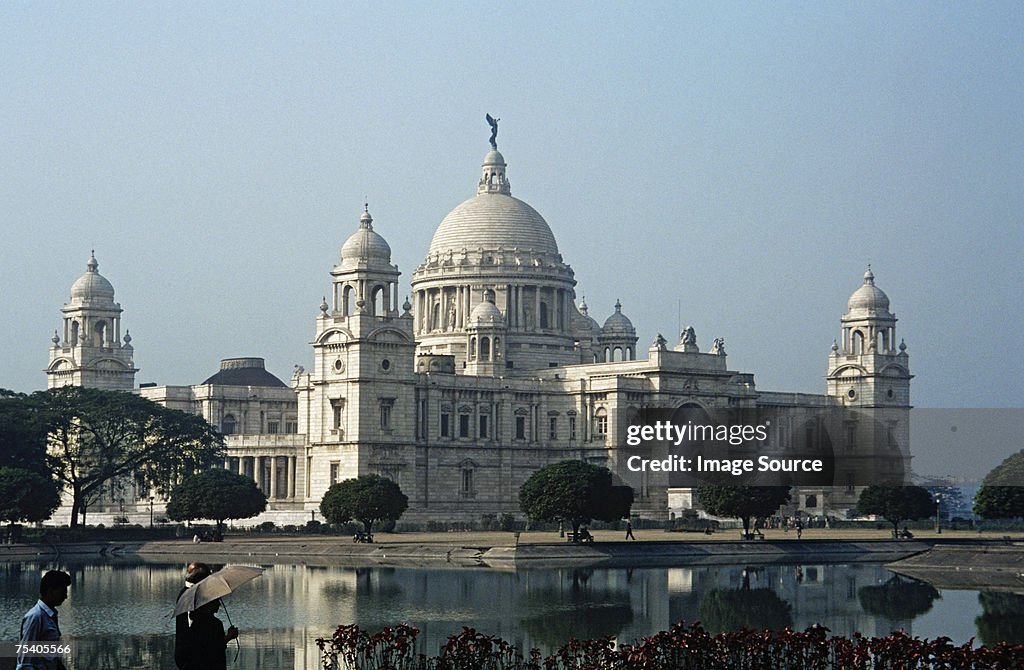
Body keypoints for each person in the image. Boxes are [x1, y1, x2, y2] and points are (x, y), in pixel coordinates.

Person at [17, 570, 71, 670]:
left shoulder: (50, 615)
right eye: (62, 591)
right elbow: (25, 663)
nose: (65, 596)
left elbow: (50, 657)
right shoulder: (35, 617)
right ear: (50, 591)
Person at [180, 599, 238, 670]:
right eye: (216, 601)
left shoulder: (195, 624)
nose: (219, 604)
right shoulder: (215, 624)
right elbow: (214, 648)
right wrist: (229, 637)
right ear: (207, 605)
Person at [175, 562, 212, 670]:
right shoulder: (191, 597)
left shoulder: (186, 594)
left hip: (186, 655)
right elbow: (194, 630)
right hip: (191, 657)